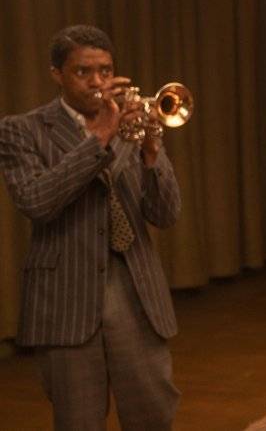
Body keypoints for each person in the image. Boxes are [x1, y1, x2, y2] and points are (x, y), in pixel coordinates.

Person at [0, 25, 182, 430]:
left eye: (105, 70)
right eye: (83, 72)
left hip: (135, 292)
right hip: (65, 297)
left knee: (154, 414)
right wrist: (98, 137)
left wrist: (151, 150)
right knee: (78, 420)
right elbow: (36, 201)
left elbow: (165, 214)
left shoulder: (132, 124)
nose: (98, 81)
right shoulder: (21, 130)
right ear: (56, 74)